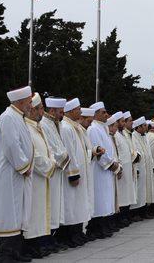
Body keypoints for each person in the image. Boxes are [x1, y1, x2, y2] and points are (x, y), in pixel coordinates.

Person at [0, 86, 34, 263]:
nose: (31, 105)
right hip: (10, 175)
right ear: (21, 101)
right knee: (10, 215)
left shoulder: (18, 117)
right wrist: (24, 166)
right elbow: (12, 146)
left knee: (18, 214)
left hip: (18, 175)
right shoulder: (8, 117)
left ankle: (15, 252)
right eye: (30, 102)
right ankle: (3, 255)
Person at [22, 93, 56, 258]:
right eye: (41, 108)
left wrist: (52, 162)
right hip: (35, 177)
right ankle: (30, 246)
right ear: (32, 110)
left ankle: (37, 244)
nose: (43, 112)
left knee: (40, 212)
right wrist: (48, 166)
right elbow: (32, 154)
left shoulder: (37, 127)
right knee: (33, 213)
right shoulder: (26, 127)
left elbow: (48, 149)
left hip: (43, 178)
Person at [58, 99, 92, 247]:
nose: (80, 112)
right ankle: (69, 235)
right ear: (71, 111)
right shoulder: (66, 127)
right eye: (78, 109)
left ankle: (77, 232)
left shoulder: (75, 126)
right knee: (71, 205)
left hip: (81, 172)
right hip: (72, 175)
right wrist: (73, 174)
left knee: (78, 204)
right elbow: (69, 153)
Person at [86, 105, 121, 239]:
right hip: (99, 170)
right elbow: (99, 151)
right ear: (95, 114)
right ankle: (95, 228)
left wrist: (113, 163)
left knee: (106, 199)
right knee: (99, 200)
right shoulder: (94, 129)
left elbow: (109, 149)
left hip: (106, 171)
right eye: (103, 112)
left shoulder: (103, 128)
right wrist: (110, 164)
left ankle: (104, 225)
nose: (106, 114)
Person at [39, 97, 70, 252]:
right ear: (52, 111)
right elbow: (51, 148)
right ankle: (47, 239)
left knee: (56, 206)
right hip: (51, 171)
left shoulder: (54, 124)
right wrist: (65, 156)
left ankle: (52, 237)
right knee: (50, 206)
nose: (62, 115)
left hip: (57, 172)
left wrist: (64, 155)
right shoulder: (45, 125)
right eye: (60, 112)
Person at [77, 107, 97, 241]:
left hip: (85, 171)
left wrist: (94, 151)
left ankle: (78, 232)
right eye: (89, 121)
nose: (90, 124)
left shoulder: (82, 131)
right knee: (77, 205)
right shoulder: (72, 129)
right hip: (77, 173)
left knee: (82, 203)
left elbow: (86, 150)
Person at [130, 117, 154, 220]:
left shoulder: (144, 137)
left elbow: (149, 153)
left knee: (145, 191)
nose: (146, 127)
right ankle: (135, 213)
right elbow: (135, 153)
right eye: (144, 125)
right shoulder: (133, 137)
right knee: (139, 191)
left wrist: (152, 166)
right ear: (138, 127)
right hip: (139, 168)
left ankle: (144, 211)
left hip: (147, 168)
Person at [114, 112, 136, 226]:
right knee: (122, 194)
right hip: (121, 169)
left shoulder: (123, 135)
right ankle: (120, 218)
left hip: (128, 168)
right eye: (122, 121)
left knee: (127, 193)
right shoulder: (116, 135)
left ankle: (126, 216)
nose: (123, 123)